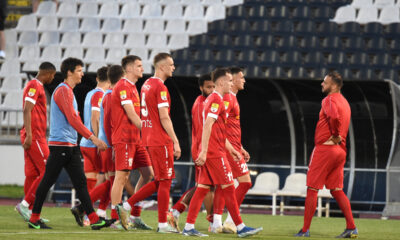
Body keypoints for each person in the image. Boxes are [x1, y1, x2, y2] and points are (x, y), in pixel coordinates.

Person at [28, 58, 111, 230]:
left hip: (70, 146)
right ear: (69, 72)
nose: (82, 73)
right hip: (61, 146)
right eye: (80, 70)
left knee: (80, 184)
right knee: (47, 181)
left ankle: (94, 219)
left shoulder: (68, 91)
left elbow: (73, 119)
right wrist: (93, 138)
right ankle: (34, 217)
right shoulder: (63, 91)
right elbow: (73, 119)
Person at [181, 68, 262, 237]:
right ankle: (239, 227)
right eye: (230, 81)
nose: (232, 84)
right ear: (222, 82)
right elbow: (208, 125)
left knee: (202, 188)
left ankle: (188, 227)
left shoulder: (213, 99)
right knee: (229, 188)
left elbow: (218, 129)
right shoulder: (217, 100)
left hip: (215, 150)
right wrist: (204, 151)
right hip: (214, 153)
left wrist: (233, 149)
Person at [117, 53, 181, 233]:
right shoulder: (160, 87)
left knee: (161, 180)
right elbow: (164, 117)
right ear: (161, 67)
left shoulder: (146, 85)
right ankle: (161, 224)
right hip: (161, 139)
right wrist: (175, 141)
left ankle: (128, 207)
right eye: (171, 64)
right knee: (165, 181)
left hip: (149, 138)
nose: (173, 67)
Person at [295, 72, 357, 238]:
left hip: (325, 149)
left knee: (312, 189)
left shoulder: (329, 100)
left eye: (325, 82)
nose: (322, 84)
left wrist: (335, 134)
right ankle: (351, 227)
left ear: (334, 85)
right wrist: (338, 137)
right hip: (340, 151)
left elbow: (333, 116)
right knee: (337, 190)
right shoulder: (345, 102)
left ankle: (304, 230)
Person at [108, 55, 154, 230]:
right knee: (121, 178)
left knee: (148, 174)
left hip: (136, 139)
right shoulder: (122, 86)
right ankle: (115, 219)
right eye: (139, 66)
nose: (142, 68)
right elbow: (131, 114)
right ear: (129, 69)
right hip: (125, 139)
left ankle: (134, 215)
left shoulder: (134, 88)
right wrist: (149, 131)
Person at [168, 73, 215, 231]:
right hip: (204, 149)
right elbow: (207, 129)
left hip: (201, 147)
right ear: (201, 87)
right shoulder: (204, 103)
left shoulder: (200, 101)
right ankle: (212, 222)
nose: (212, 90)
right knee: (207, 185)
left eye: (214, 86)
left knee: (205, 185)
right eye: (208, 87)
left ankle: (177, 211)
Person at [213, 67, 252, 234]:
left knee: (223, 186)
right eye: (241, 78)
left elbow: (230, 127)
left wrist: (241, 147)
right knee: (245, 182)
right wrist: (233, 147)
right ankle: (230, 221)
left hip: (233, 147)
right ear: (233, 80)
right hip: (229, 149)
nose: (243, 81)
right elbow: (219, 125)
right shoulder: (228, 98)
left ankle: (216, 223)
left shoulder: (232, 98)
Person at [15, 62, 56, 222]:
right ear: (48, 73)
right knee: (47, 171)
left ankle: (31, 213)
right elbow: (27, 109)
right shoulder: (34, 85)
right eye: (52, 75)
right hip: (35, 136)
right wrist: (30, 135)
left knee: (32, 174)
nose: (53, 78)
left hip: (35, 135)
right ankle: (25, 205)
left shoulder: (36, 86)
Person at [80, 66, 109, 193]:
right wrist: (97, 139)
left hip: (85, 142)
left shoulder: (89, 93)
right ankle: (91, 207)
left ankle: (87, 209)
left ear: (97, 78)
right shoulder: (100, 94)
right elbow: (95, 118)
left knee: (91, 178)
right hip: (94, 143)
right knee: (109, 178)